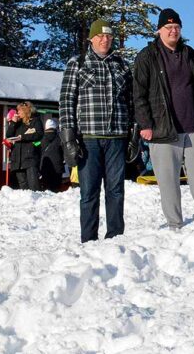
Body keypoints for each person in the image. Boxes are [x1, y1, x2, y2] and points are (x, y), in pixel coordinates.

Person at [133, 8, 194, 230]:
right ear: (159, 30)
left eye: (177, 27)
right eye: (168, 27)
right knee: (168, 181)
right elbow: (138, 93)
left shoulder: (189, 54)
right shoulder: (147, 56)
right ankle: (174, 222)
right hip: (162, 128)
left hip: (192, 126)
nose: (173, 31)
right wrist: (145, 124)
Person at [60, 19, 133, 242]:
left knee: (116, 191)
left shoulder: (121, 65)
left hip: (117, 138)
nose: (105, 40)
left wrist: (133, 133)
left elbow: (131, 102)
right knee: (89, 193)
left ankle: (115, 237)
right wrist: (68, 137)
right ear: (91, 39)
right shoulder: (78, 63)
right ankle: (88, 239)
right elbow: (66, 101)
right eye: (100, 36)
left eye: (109, 36)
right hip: (88, 139)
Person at [6, 101, 44, 191]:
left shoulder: (35, 121)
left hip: (30, 157)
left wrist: (22, 137)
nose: (17, 112)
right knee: (23, 187)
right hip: (17, 159)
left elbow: (39, 134)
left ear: (26, 111)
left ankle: (37, 203)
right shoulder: (18, 123)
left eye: (19, 110)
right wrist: (13, 123)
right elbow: (9, 135)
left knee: (33, 185)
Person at [40, 118, 64, 193]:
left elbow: (38, 151)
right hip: (57, 166)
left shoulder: (41, 139)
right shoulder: (60, 138)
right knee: (56, 189)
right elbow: (63, 151)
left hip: (44, 166)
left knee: (46, 190)